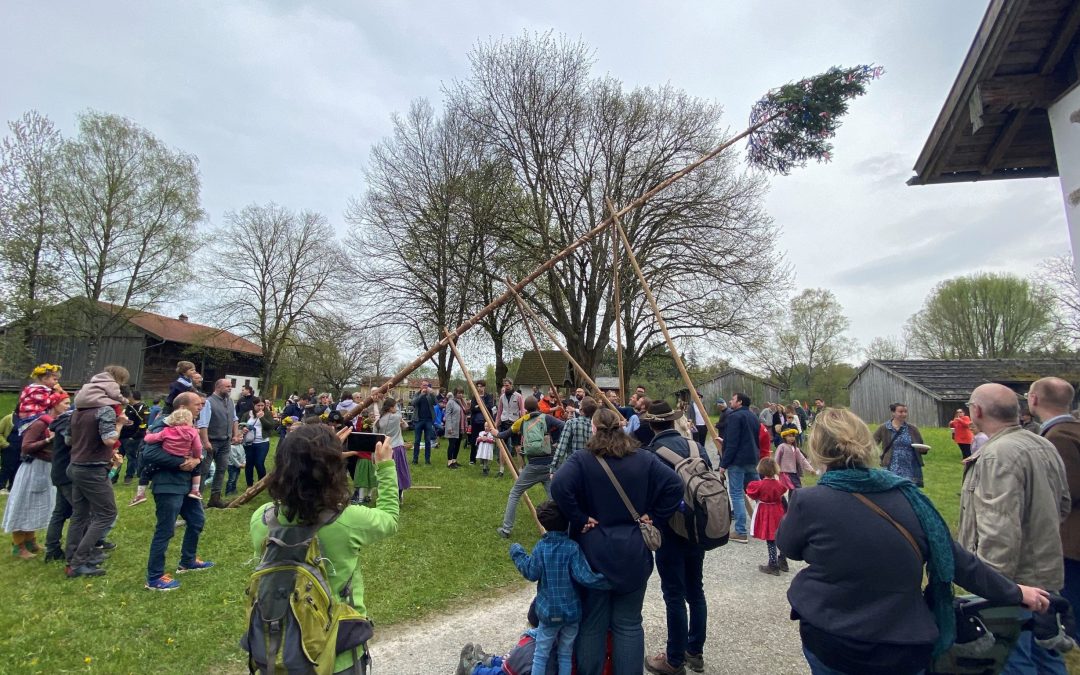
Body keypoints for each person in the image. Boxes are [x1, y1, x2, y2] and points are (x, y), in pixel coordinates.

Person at [777, 407, 1052, 675]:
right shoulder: (910, 497)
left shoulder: (809, 501)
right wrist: (1015, 592)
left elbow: (790, 548)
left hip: (832, 635)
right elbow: (956, 561)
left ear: (818, 450)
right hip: (903, 639)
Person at [249, 425, 399, 673]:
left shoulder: (262, 520)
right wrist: (384, 466)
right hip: (338, 650)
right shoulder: (347, 521)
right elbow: (390, 518)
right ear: (333, 471)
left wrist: (319, 455)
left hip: (279, 645)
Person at [550, 407, 682, 675]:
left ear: (594, 429)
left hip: (593, 551)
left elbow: (558, 486)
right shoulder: (644, 458)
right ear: (622, 428)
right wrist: (653, 516)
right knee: (629, 623)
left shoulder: (582, 460)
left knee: (593, 624)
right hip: (634, 550)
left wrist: (579, 518)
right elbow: (675, 485)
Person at [961, 382, 1071, 673]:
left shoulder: (998, 454)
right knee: (1046, 654)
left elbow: (999, 529)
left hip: (1014, 582)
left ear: (977, 410)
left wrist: (994, 587)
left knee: (1012, 658)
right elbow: (1063, 505)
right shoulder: (1044, 443)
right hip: (1046, 573)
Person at [642, 401, 710, 675]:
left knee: (674, 594)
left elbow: (649, 494)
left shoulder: (653, 454)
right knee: (696, 590)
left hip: (670, 530)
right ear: (672, 421)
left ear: (651, 424)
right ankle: (695, 651)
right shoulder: (697, 446)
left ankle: (673, 660)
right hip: (698, 528)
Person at [510, 501, 610, 675]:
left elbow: (532, 573)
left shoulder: (541, 548)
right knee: (565, 653)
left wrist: (517, 553)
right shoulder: (572, 548)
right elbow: (585, 576)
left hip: (548, 614)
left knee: (541, 655)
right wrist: (609, 579)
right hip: (571, 614)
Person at [142, 392, 214, 590]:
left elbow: (196, 451)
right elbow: (149, 452)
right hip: (167, 485)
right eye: (197, 404)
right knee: (165, 530)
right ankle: (155, 577)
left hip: (186, 485)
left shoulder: (190, 425)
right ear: (182, 406)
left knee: (197, 520)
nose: (200, 407)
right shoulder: (163, 425)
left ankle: (188, 561)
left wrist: (196, 460)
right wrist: (182, 462)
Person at [1028, 376, 1080, 639]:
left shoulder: (1057, 438)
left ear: (1034, 399)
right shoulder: (1073, 430)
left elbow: (1066, 492)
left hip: (1072, 540)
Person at [66, 366, 128, 578]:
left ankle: (73, 557)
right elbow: (109, 440)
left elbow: (68, 440)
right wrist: (119, 424)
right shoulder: (105, 410)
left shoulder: (78, 411)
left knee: (80, 515)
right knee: (106, 513)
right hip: (93, 468)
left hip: (75, 465)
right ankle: (78, 562)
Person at [2, 390, 68, 559]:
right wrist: (48, 441)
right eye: (65, 403)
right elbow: (26, 446)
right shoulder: (39, 423)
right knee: (24, 504)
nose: (68, 406)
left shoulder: (56, 422)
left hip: (46, 467)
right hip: (33, 468)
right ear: (54, 404)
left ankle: (31, 540)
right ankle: (18, 544)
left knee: (36, 504)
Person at [496, 397, 564, 538]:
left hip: (533, 465)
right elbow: (564, 426)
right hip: (550, 464)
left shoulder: (522, 421)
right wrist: (556, 443)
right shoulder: (546, 418)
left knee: (515, 493)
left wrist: (494, 433)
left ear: (525, 408)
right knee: (554, 498)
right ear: (538, 407)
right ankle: (561, 529)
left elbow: (504, 435)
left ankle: (506, 529)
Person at [719, 392, 760, 544]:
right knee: (759, 494)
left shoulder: (735, 417)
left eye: (733, 399)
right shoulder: (753, 416)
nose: (730, 401)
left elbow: (733, 443)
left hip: (737, 461)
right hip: (752, 459)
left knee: (736, 494)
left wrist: (723, 464)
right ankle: (766, 524)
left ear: (740, 402)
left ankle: (741, 531)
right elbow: (752, 439)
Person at [196, 378, 241, 508]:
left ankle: (215, 498)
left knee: (221, 470)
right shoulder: (208, 402)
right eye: (227, 386)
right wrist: (205, 442)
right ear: (218, 387)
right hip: (211, 441)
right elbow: (202, 424)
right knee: (203, 471)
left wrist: (235, 434)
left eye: (230, 386)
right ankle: (197, 500)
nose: (230, 388)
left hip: (225, 442)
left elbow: (234, 419)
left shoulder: (230, 401)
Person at [143, 408, 203, 499]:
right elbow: (198, 447)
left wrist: (148, 434)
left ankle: (140, 493)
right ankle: (195, 490)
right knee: (197, 470)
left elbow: (150, 439)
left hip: (169, 457)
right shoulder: (193, 432)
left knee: (147, 470)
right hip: (185, 457)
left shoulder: (166, 431)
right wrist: (197, 457)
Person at [43, 397, 75, 562]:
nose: (69, 406)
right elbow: (71, 442)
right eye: (66, 403)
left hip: (60, 471)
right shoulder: (65, 422)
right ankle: (76, 550)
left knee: (60, 512)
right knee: (81, 512)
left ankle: (52, 548)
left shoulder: (62, 421)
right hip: (66, 473)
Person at [746, 456, 788, 576]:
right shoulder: (779, 485)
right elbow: (783, 491)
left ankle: (773, 564)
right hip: (778, 510)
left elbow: (752, 493)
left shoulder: (759, 485)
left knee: (770, 539)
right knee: (780, 536)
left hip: (766, 512)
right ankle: (783, 561)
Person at [872, 403, 926, 487]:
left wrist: (923, 450)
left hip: (910, 466)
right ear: (893, 413)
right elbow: (872, 442)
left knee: (909, 489)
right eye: (900, 412)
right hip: (891, 465)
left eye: (905, 412)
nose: (904, 414)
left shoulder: (912, 429)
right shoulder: (884, 428)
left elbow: (920, 445)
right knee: (891, 489)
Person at [374, 397, 412, 504]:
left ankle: (387, 496)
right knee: (398, 472)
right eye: (394, 406)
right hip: (396, 448)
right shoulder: (396, 417)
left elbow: (375, 434)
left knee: (386, 472)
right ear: (391, 408)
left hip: (383, 450)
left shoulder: (378, 421)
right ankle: (398, 496)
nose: (396, 408)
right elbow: (404, 422)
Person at [551, 396, 596, 474]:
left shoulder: (571, 423)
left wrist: (554, 469)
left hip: (573, 466)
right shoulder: (596, 426)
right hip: (590, 467)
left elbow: (562, 447)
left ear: (581, 410)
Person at [243, 398, 276, 488]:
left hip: (262, 442)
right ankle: (249, 484)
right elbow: (241, 424)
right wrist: (243, 428)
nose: (260, 407)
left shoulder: (267, 414)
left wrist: (261, 418)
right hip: (249, 442)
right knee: (249, 463)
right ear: (253, 405)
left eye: (262, 405)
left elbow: (270, 426)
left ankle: (261, 484)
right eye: (258, 405)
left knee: (259, 462)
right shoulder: (247, 414)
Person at [120, 391, 148, 484]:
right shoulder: (127, 407)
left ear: (133, 396)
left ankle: (129, 476)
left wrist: (135, 436)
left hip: (133, 438)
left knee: (131, 457)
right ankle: (113, 477)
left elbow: (144, 423)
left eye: (129, 396)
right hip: (122, 437)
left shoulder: (142, 407)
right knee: (118, 457)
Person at [411, 380, 438, 465]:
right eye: (424, 385)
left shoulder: (430, 394)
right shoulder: (417, 394)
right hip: (418, 420)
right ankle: (415, 459)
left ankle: (427, 460)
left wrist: (432, 394)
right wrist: (421, 395)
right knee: (417, 441)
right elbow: (413, 403)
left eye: (427, 386)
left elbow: (435, 403)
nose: (425, 387)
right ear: (421, 386)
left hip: (428, 420)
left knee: (427, 440)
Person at [468, 380, 495, 464]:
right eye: (478, 386)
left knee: (485, 441)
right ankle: (472, 459)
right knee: (474, 441)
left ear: (484, 387)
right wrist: (480, 407)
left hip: (485, 423)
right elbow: (472, 408)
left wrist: (478, 406)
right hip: (476, 422)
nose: (479, 388)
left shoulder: (488, 396)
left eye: (481, 386)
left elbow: (489, 407)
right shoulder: (474, 396)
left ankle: (483, 460)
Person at [444, 388, 466, 469]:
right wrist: (449, 426)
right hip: (453, 427)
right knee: (452, 445)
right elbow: (448, 415)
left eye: (462, 393)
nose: (461, 395)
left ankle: (454, 460)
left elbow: (465, 412)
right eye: (459, 393)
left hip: (460, 427)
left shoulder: (461, 402)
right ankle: (449, 462)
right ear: (455, 393)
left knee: (457, 444)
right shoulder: (451, 402)